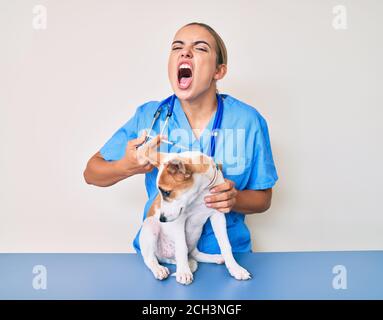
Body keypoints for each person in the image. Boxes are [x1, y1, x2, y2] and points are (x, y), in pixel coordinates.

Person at [83, 22, 278, 254]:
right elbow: (91, 173)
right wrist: (126, 166)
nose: (185, 52)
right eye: (177, 47)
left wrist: (235, 200)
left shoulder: (248, 121)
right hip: (164, 254)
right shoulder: (149, 117)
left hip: (226, 258)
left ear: (219, 71)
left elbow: (264, 199)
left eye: (200, 48)